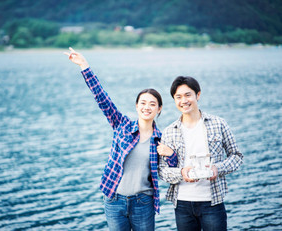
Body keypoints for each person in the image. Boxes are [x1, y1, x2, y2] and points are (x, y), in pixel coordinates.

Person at [64, 47, 177, 231]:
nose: (147, 107)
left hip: (143, 202)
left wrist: (171, 154)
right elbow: (102, 98)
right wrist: (84, 66)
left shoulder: (162, 140)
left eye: (152, 104)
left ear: (159, 109)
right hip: (114, 200)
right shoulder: (121, 125)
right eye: (143, 103)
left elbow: (172, 171)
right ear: (136, 106)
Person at [157, 76, 243, 231]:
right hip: (182, 204)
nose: (184, 100)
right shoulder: (169, 132)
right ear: (174, 100)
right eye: (178, 97)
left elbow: (237, 156)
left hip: (212, 201)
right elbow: (162, 171)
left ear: (198, 95)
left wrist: (218, 168)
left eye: (188, 95)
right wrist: (181, 173)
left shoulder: (218, 123)